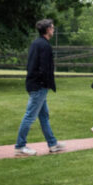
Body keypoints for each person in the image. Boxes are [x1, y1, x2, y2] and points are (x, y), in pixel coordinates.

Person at [14, 19, 65, 156]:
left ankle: (53, 143)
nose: (53, 30)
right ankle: (20, 146)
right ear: (48, 29)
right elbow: (44, 68)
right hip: (39, 86)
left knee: (43, 116)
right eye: (52, 27)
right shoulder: (44, 45)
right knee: (30, 116)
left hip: (35, 84)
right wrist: (46, 83)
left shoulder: (37, 43)